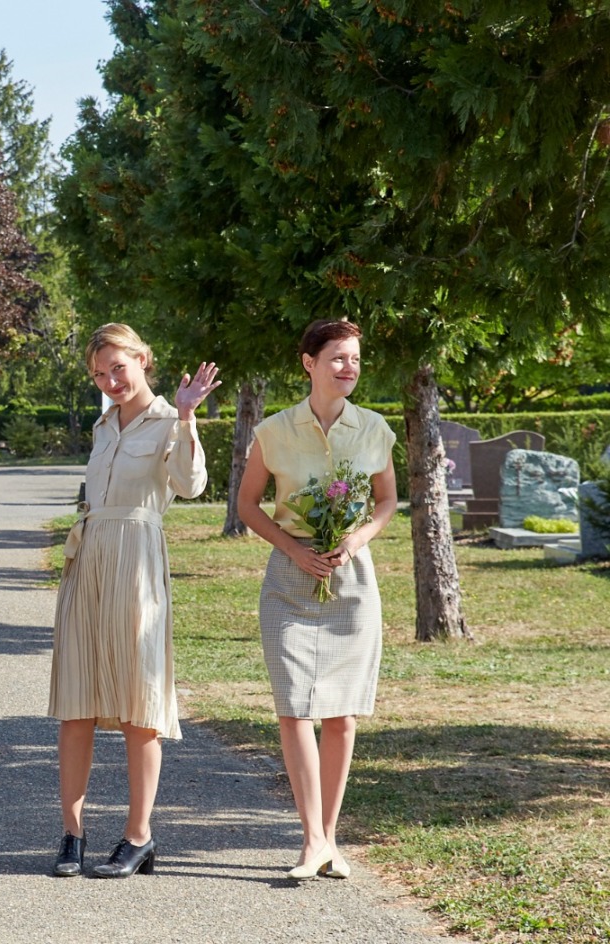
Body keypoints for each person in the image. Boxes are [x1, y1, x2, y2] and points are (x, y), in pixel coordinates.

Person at [48, 323, 219, 879]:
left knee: (139, 703)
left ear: (144, 359)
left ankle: (138, 835)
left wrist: (189, 416)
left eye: (119, 367)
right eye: (100, 373)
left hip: (138, 563)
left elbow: (191, 485)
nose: (111, 380)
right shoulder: (102, 426)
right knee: (76, 701)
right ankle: (71, 834)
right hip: (89, 560)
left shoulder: (171, 420)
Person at [236, 319, 396, 880]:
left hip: (352, 583)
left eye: (354, 358)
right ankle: (311, 840)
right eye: (336, 358)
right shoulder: (274, 431)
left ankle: (330, 838)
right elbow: (249, 505)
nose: (348, 367)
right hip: (289, 578)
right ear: (309, 363)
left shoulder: (375, 429)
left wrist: (354, 540)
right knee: (294, 708)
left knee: (342, 715)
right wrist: (293, 549)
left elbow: (386, 502)